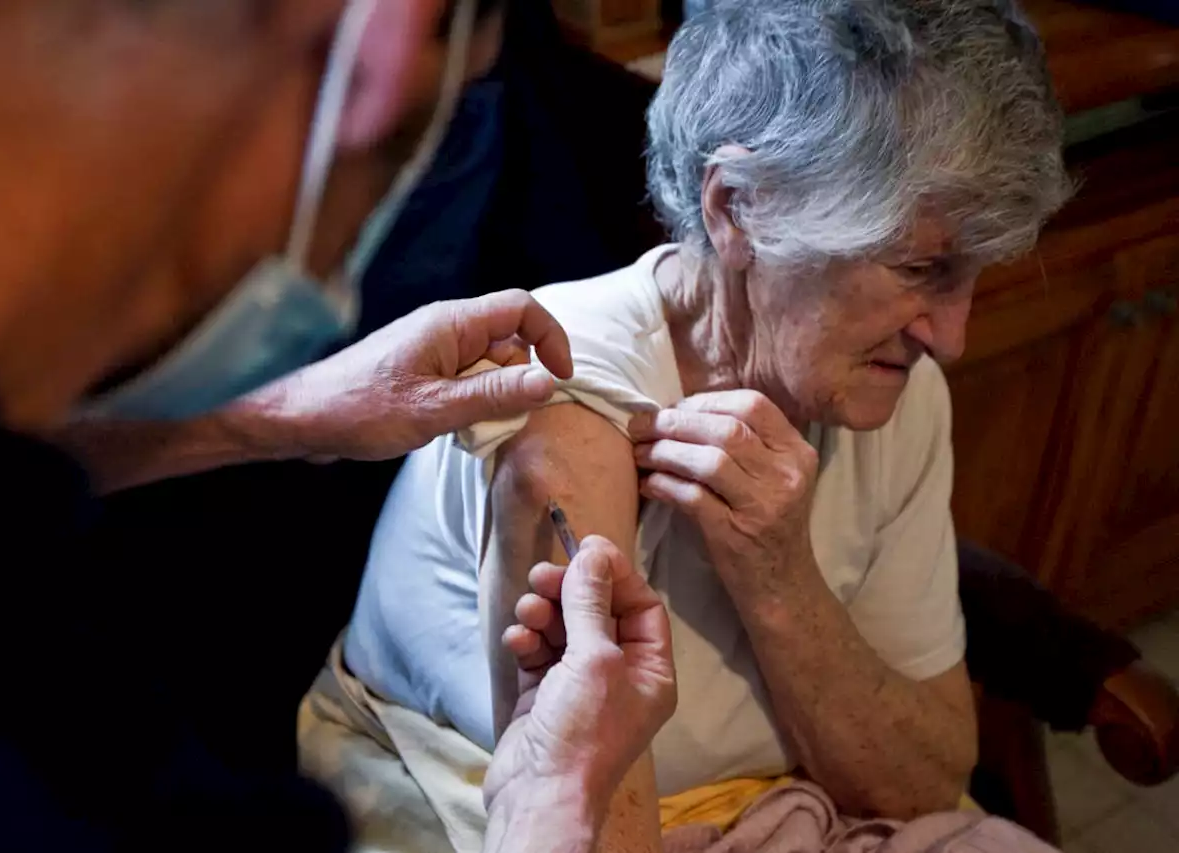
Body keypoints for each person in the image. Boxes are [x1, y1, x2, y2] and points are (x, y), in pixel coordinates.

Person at [0, 1, 676, 851]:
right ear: (385, 48)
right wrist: (549, 803)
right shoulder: (50, 769)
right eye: (424, 143)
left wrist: (280, 416)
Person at [332, 0, 1073, 846]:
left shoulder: (887, 383)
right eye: (920, 267)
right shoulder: (565, 411)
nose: (953, 335)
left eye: (970, 273)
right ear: (738, 210)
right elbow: (594, 827)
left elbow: (928, 780)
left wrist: (780, 577)